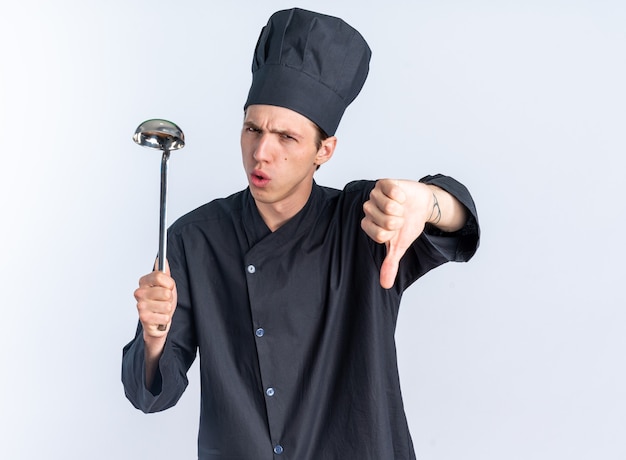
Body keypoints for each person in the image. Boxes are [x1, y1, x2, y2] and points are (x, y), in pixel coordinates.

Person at [122, 7, 479, 460]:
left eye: (286, 138)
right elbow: (149, 393)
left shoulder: (364, 221)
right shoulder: (195, 239)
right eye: (252, 128)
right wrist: (153, 342)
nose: (261, 152)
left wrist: (426, 202)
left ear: (323, 150)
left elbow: (461, 220)